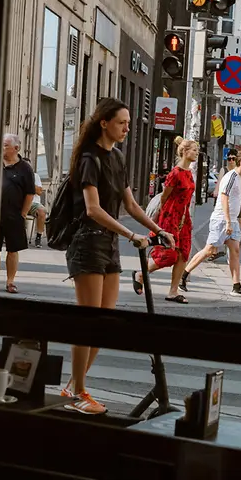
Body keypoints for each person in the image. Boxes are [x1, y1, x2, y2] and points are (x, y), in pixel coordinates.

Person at [61, 98, 175, 415]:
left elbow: (131, 205)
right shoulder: (89, 158)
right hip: (87, 243)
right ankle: (79, 391)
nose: (127, 127)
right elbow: (93, 208)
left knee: (104, 324)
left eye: (127, 122)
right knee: (89, 322)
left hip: (108, 245)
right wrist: (132, 236)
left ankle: (73, 386)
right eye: (122, 122)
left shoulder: (118, 158)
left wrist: (158, 230)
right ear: (104, 123)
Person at [179, 147, 241, 297]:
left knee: (235, 251)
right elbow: (224, 197)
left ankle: (236, 285)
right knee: (209, 250)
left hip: (231, 221)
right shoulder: (231, 176)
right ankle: (183, 275)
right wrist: (227, 221)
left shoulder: (239, 178)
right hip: (222, 220)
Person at [131, 136, 198, 304]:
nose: (197, 153)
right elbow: (164, 198)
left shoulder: (190, 173)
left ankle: (173, 291)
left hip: (184, 217)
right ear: (184, 151)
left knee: (184, 253)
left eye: (197, 150)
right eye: (194, 150)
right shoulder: (175, 173)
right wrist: (164, 221)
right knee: (169, 255)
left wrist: (185, 217)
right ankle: (140, 274)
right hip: (170, 216)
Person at [0, 133, 35, 293]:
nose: (2, 147)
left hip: (14, 214)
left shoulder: (25, 168)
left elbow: (30, 193)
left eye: (5, 145)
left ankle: (10, 281)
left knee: (13, 250)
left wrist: (23, 213)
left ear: (16, 148)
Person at [27, 170, 47, 248]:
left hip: (33, 203)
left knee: (42, 211)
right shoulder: (16, 175)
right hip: (19, 202)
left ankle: (38, 237)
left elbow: (39, 192)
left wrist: (29, 181)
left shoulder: (35, 176)